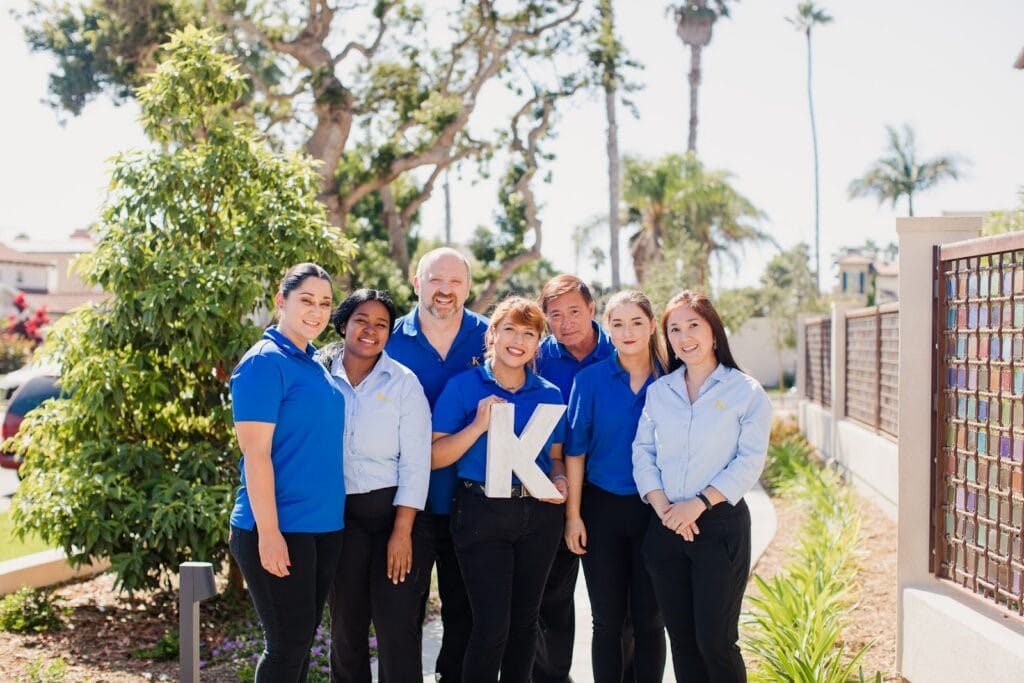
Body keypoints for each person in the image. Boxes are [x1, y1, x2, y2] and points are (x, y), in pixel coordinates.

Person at [632, 291, 772, 683]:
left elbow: (748, 461)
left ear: (713, 332)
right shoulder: (661, 392)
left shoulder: (745, 392)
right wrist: (665, 509)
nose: (684, 336)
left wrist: (698, 504)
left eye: (693, 324)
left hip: (719, 528)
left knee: (716, 642)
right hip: (665, 526)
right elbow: (642, 451)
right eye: (674, 328)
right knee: (683, 642)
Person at [430, 296, 569, 683]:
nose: (518, 340)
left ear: (537, 344)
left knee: (526, 624)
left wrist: (558, 480)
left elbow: (556, 458)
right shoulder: (463, 387)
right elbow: (433, 457)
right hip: (480, 513)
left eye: (529, 334)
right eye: (510, 329)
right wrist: (477, 426)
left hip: (538, 517)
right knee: (491, 627)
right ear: (493, 333)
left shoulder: (549, 393)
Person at [228, 263, 346, 682]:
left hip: (321, 528)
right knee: (285, 648)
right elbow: (255, 455)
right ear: (282, 301)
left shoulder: (315, 362)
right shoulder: (263, 363)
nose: (316, 312)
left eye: (325, 304)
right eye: (306, 301)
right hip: (278, 528)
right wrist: (270, 534)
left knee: (298, 645)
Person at [385, 247, 488, 683]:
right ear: (416, 283)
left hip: (471, 502)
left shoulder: (490, 336)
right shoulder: (388, 339)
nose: (445, 290)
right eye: (435, 280)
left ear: (467, 286)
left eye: (455, 282)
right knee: (399, 616)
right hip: (402, 502)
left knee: (465, 615)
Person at [321, 289, 432, 683]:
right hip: (338, 519)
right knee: (346, 631)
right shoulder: (319, 374)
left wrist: (402, 532)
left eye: (381, 324)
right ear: (344, 324)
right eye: (361, 321)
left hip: (393, 520)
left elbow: (417, 461)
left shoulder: (404, 383)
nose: (371, 330)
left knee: (397, 630)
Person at [563, 290, 668, 683]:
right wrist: (573, 516)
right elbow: (575, 452)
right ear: (606, 328)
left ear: (652, 325)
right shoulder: (590, 381)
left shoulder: (673, 378)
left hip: (655, 511)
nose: (627, 332)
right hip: (602, 509)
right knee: (607, 621)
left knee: (649, 619)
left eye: (637, 322)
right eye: (618, 323)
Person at [533, 274, 615, 683]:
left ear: (592, 310)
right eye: (555, 315)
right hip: (551, 489)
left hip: (612, 492)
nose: (565, 323)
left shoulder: (622, 348)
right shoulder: (537, 356)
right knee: (551, 600)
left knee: (620, 605)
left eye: (574, 312)